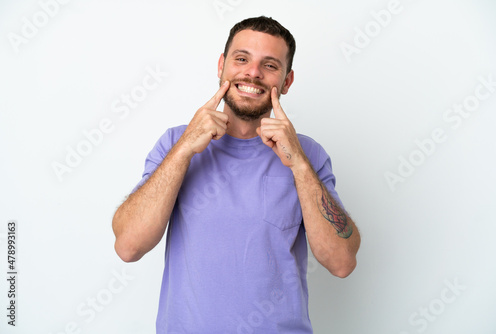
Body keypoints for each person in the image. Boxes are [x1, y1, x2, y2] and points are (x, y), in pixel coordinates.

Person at [112, 16, 361, 334]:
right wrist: (185, 149)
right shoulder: (175, 143)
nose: (252, 72)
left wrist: (298, 164)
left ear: (286, 81)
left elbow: (341, 263)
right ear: (221, 66)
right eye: (241, 59)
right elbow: (128, 247)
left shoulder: (308, 155)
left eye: (269, 65)